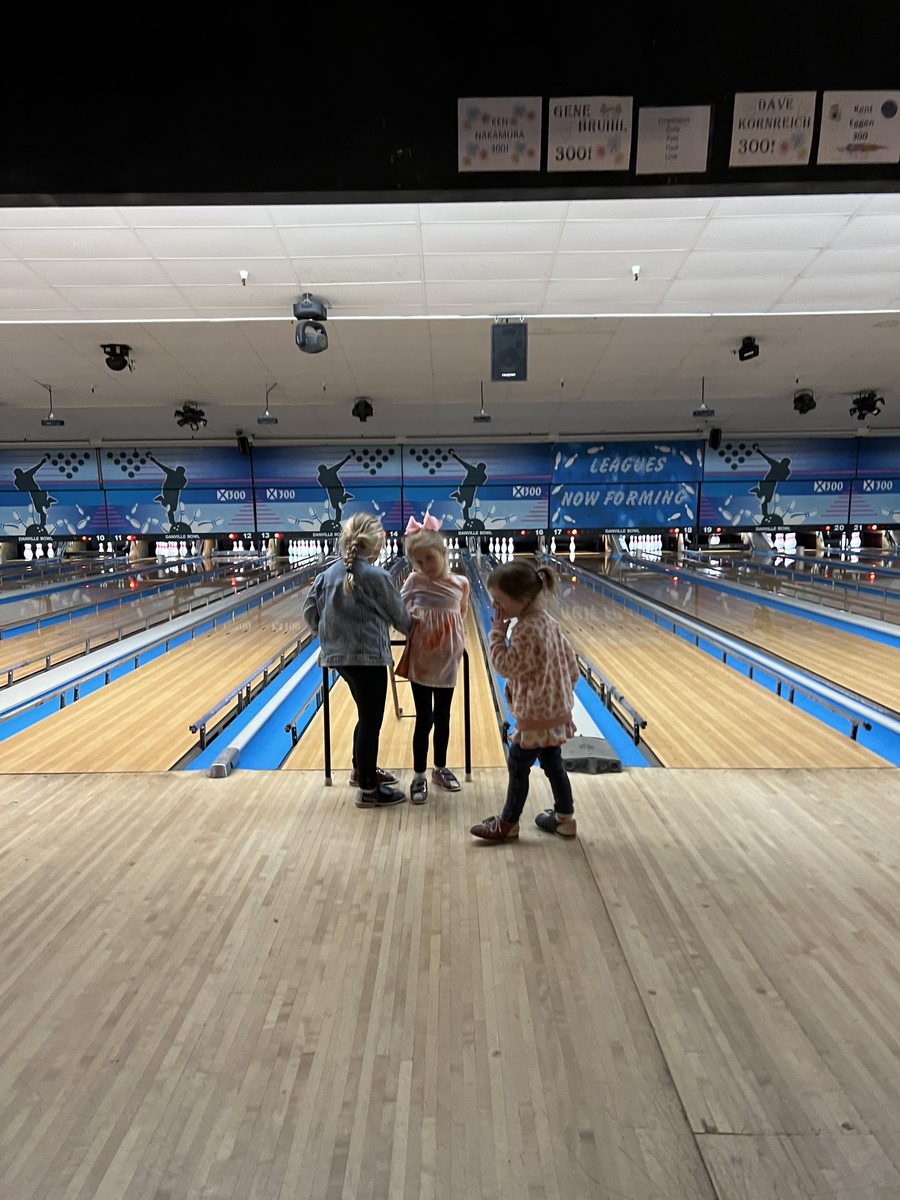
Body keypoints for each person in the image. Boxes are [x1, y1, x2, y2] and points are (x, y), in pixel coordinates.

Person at [302, 512, 413, 807]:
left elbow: (309, 612)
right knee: (371, 721)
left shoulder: (327, 576)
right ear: (375, 544)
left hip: (338, 657)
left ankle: (359, 770)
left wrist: (329, 635)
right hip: (369, 658)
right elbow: (401, 619)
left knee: (366, 716)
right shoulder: (377, 577)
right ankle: (368, 789)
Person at [470, 559, 579, 842]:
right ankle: (564, 819)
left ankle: (507, 824)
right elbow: (571, 663)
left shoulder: (524, 630)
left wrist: (496, 634)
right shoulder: (549, 622)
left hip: (534, 717)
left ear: (521, 599)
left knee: (518, 766)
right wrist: (560, 695)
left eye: (499, 600)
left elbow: (505, 666)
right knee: (554, 764)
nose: (495, 607)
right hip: (555, 712)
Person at [400, 513, 470, 803]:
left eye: (429, 558)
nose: (424, 566)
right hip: (421, 659)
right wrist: (411, 621)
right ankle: (418, 775)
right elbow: (397, 608)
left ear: (443, 552)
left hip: (447, 660)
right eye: (417, 562)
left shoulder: (461, 583)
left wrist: (450, 639)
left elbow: (462, 613)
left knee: (443, 717)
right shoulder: (415, 581)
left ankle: (440, 768)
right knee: (424, 719)